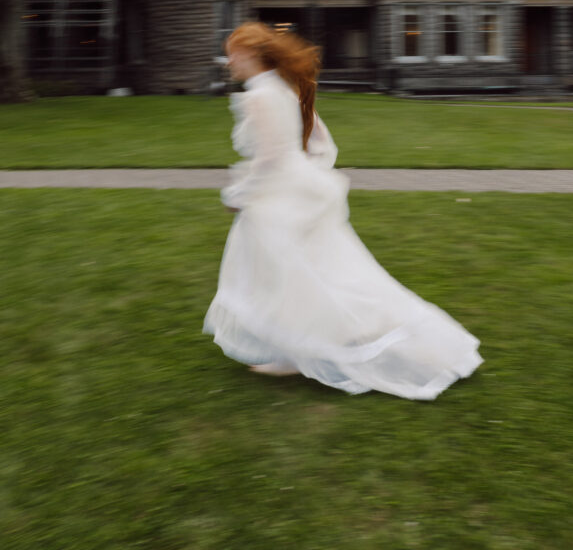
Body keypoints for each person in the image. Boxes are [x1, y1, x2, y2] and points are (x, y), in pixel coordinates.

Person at [203, 21, 483, 400]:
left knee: (290, 276)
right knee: (304, 274)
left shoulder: (260, 95)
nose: (228, 61)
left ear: (251, 53)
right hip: (297, 191)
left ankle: (312, 348)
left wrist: (238, 194)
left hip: (278, 198)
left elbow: (269, 159)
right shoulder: (285, 90)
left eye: (232, 53)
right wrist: (308, 177)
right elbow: (321, 144)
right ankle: (294, 349)